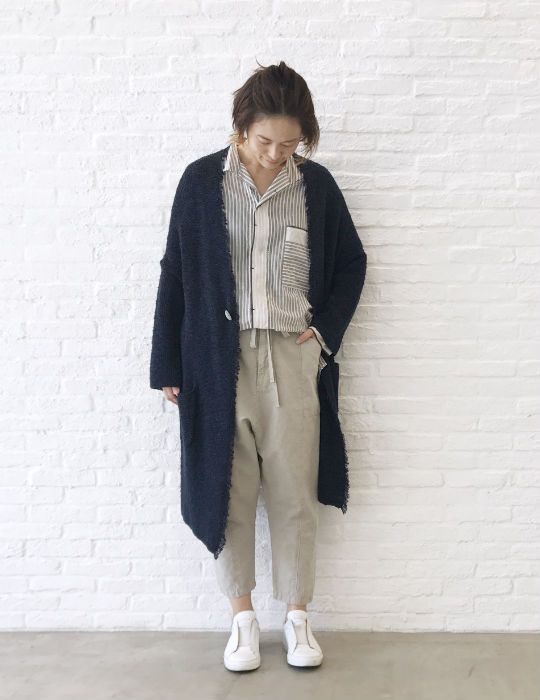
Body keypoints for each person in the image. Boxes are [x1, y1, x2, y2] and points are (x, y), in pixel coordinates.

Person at [150, 60, 367, 672]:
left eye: (289, 144)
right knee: (229, 491)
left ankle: (297, 618)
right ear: (241, 126)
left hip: (291, 356)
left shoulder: (315, 187)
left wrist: (323, 334)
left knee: (295, 489)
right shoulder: (201, 182)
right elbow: (175, 273)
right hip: (215, 357)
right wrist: (168, 362)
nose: (276, 154)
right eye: (266, 140)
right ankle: (241, 619)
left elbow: (351, 263)